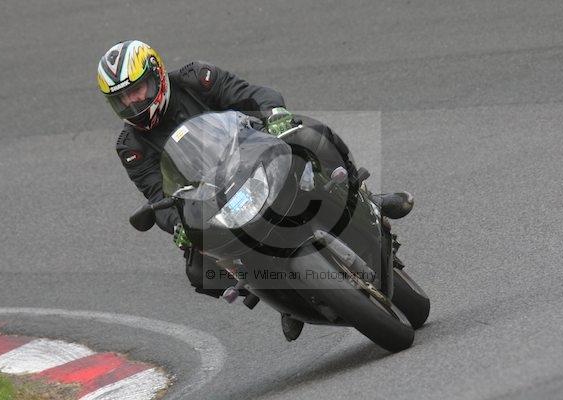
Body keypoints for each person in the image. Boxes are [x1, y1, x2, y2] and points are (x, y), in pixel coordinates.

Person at [97, 40, 413, 340]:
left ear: (157, 75)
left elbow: (251, 94)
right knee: (198, 268)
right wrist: (177, 224)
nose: (132, 101)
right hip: (210, 198)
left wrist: (274, 113)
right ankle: (283, 295)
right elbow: (157, 196)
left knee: (311, 135)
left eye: (137, 89)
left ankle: (364, 196)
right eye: (122, 98)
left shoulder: (196, 78)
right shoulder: (130, 146)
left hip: (255, 151)